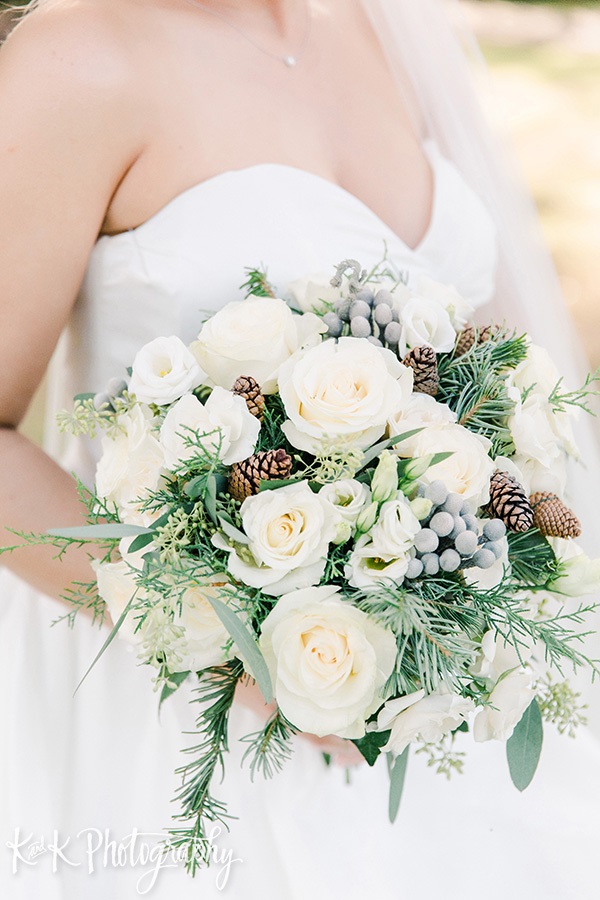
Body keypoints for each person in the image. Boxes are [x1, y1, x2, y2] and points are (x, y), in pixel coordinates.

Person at [1, 0, 599, 897]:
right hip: (193, 727)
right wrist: (218, 634)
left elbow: (486, 368)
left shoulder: (389, 28)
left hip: (440, 699)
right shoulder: (82, 57)